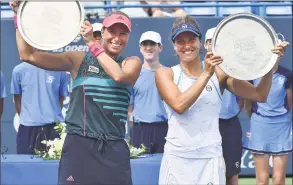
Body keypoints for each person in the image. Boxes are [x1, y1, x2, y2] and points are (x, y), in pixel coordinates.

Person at [10, 1, 142, 184]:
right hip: (79, 146)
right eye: (112, 31)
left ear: (128, 36)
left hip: (114, 149)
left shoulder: (132, 62)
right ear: (102, 32)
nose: (117, 38)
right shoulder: (78, 60)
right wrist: (19, 15)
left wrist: (92, 43)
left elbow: (119, 76)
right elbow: (27, 55)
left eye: (123, 33)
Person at [155, 15, 289, 185]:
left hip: (211, 158)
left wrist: (271, 65)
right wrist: (206, 74)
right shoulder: (166, 73)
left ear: (200, 42)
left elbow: (260, 95)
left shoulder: (219, 73)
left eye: (192, 39)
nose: (187, 45)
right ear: (174, 45)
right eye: (180, 41)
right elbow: (179, 105)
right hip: (177, 159)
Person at [243, 52, 292, 185]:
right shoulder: (253, 75)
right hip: (259, 125)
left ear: (281, 55)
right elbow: (248, 102)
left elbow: (289, 104)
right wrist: (259, 117)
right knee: (262, 181)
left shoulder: (287, 75)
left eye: (277, 54)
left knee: (278, 180)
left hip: (281, 126)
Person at [204, 27, 244, 185]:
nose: (214, 46)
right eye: (211, 42)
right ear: (205, 44)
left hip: (229, 125)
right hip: (206, 126)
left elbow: (242, 100)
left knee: (231, 175)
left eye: (218, 42)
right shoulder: (198, 69)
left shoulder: (235, 70)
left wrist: (229, 113)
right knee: (206, 173)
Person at [10, 62, 69, 154]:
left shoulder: (60, 70)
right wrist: (28, 118)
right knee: (25, 166)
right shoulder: (19, 70)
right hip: (27, 130)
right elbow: (17, 99)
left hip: (53, 128)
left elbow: (61, 99)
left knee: (54, 167)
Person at [128, 31, 168, 153]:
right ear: (140, 48)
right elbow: (129, 108)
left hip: (164, 129)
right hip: (139, 129)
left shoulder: (170, 73)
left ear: (160, 47)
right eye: (145, 44)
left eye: (153, 44)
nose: (149, 47)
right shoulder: (133, 74)